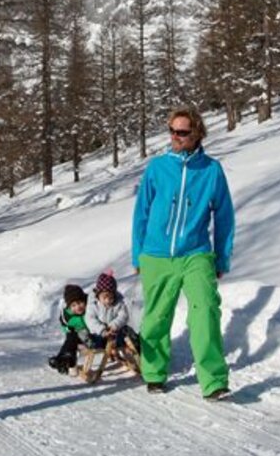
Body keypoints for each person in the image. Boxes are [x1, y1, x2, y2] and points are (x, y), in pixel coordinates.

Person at [131, 106, 235, 401]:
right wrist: (138, 253)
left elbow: (224, 216)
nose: (176, 137)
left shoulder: (211, 170)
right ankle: (153, 372)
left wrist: (221, 256)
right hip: (156, 254)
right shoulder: (157, 168)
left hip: (196, 253)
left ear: (197, 133)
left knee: (206, 312)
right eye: (172, 131)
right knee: (156, 317)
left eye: (182, 132)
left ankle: (214, 381)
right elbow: (141, 213)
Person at [85, 269, 137, 357]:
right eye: (104, 297)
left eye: (111, 297)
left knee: (124, 332)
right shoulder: (93, 305)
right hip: (100, 333)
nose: (108, 300)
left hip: (114, 331)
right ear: (98, 295)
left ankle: (131, 346)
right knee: (95, 339)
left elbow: (123, 316)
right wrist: (102, 330)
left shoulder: (118, 303)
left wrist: (114, 325)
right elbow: (90, 319)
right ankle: (94, 344)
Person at [47, 284, 92, 374]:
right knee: (71, 337)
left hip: (94, 337)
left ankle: (67, 359)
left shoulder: (91, 310)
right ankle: (64, 358)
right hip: (80, 340)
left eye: (80, 303)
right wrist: (69, 330)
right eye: (73, 305)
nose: (78, 307)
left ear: (85, 301)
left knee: (73, 337)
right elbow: (65, 326)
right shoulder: (68, 316)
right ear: (69, 307)